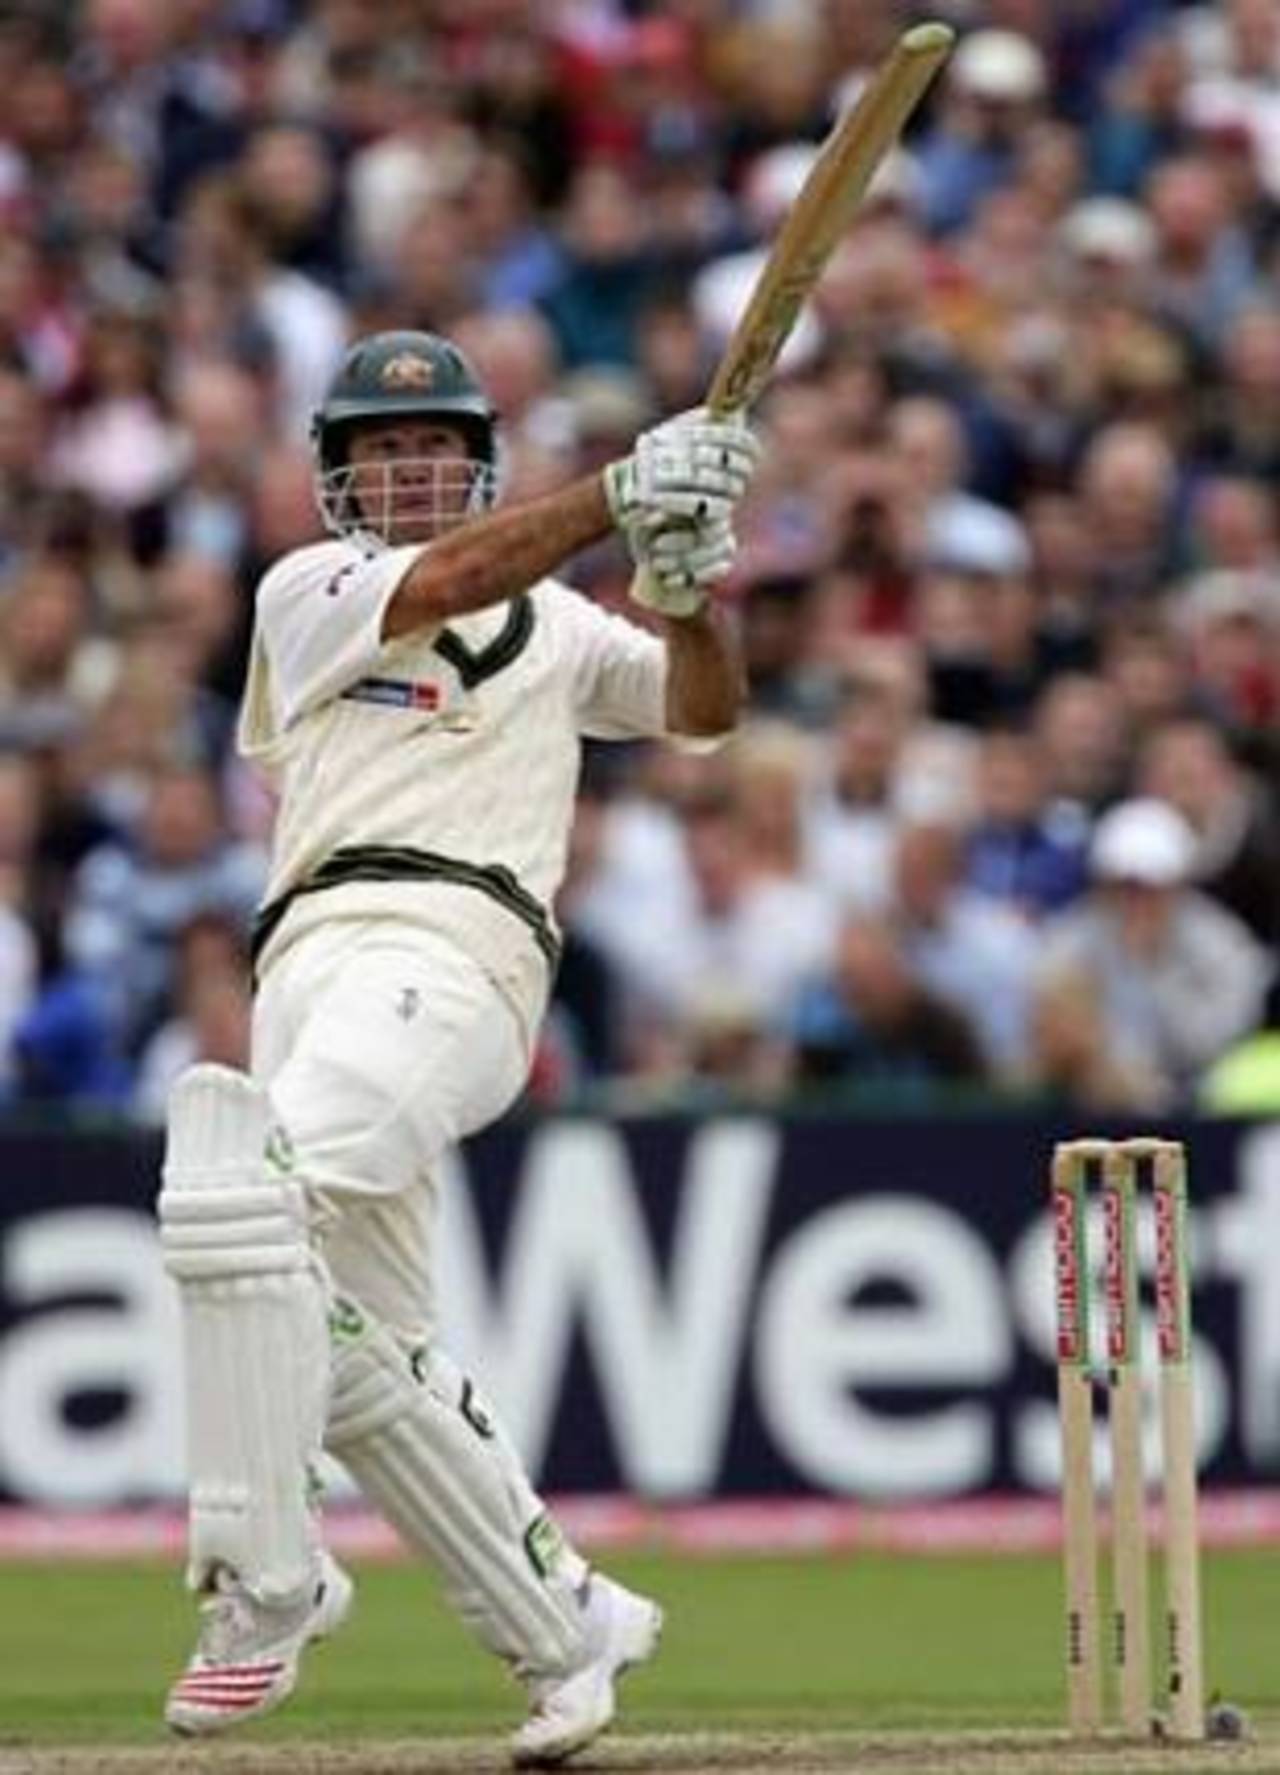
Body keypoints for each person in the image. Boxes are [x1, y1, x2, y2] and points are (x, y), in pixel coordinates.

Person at [155, 327, 759, 1765]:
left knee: (240, 1196)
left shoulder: (558, 631)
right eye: (382, 455)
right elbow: (447, 582)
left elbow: (704, 711)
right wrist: (621, 495)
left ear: (476, 459)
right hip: (305, 961)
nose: (412, 476)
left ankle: (267, 1579)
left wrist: (687, 591)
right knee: (354, 1346)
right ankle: (567, 1628)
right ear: (339, 481)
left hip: (456, 953)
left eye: (433, 451)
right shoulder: (311, 591)